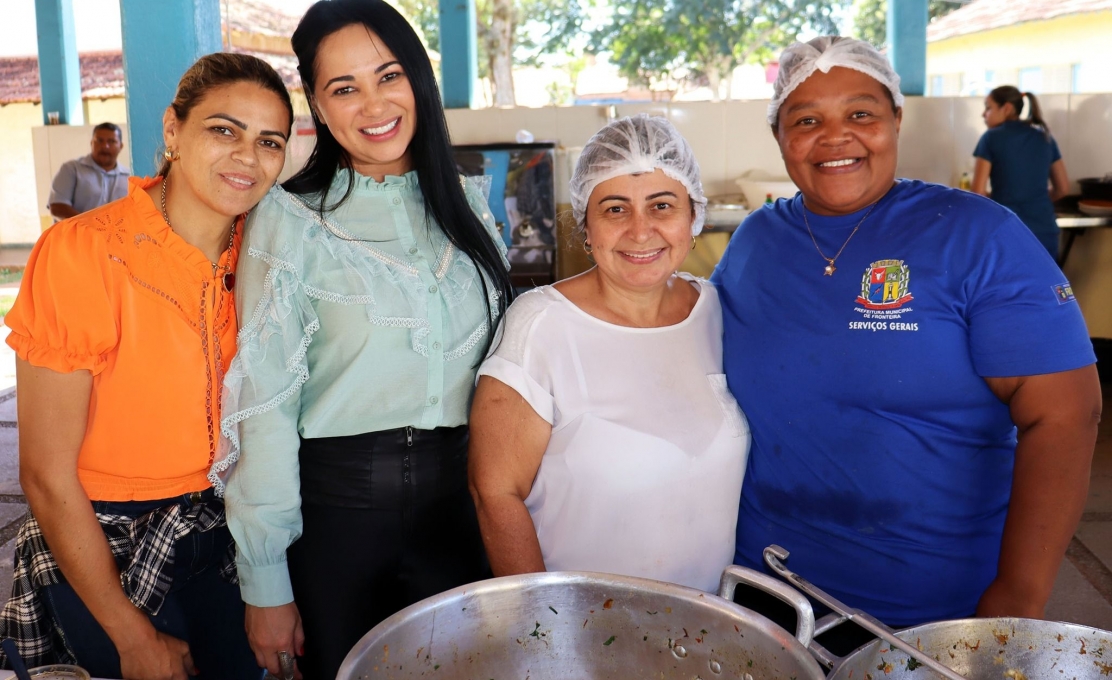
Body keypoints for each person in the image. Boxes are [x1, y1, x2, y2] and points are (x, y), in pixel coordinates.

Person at [712, 37, 1100, 629]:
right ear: (779, 136)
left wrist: (1021, 594)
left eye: (860, 114)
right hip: (765, 599)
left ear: (896, 119)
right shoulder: (755, 243)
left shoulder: (978, 236)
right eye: (807, 119)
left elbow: (1067, 415)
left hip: (931, 616)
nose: (835, 136)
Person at [211, 2, 514, 678]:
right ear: (316, 105)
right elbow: (263, 408)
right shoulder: (287, 221)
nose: (372, 104)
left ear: (419, 83)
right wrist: (265, 584)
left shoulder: (470, 207)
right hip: (334, 528)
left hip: (458, 520)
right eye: (344, 88)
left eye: (389, 75)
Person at [0, 53, 292, 679]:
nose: (247, 156)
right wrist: (130, 635)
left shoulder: (269, 256)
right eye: (224, 130)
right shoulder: (85, 253)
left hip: (227, 532)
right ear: (171, 130)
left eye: (270, 141)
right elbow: (46, 475)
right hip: (106, 545)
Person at [468, 113, 749, 593]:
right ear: (586, 225)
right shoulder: (541, 325)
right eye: (615, 209)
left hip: (707, 628)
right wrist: (546, 627)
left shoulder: (718, 312)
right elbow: (495, 493)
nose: (641, 232)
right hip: (586, 633)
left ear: (693, 216)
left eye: (662, 206)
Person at [972, 86, 1070, 259]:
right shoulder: (1045, 137)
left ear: (1007, 108)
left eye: (988, 107)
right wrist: (1032, 199)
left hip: (1008, 232)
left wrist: (1005, 198)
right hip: (1045, 232)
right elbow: (1063, 189)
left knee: (1008, 286)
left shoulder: (991, 138)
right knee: (1047, 286)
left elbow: (977, 192)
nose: (983, 114)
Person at [48, 122, 130, 220]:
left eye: (111, 141)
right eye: (99, 141)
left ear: (121, 146)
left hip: (116, 235)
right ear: (91, 143)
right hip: (77, 234)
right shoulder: (72, 169)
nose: (105, 146)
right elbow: (57, 207)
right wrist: (90, 226)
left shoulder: (129, 177)